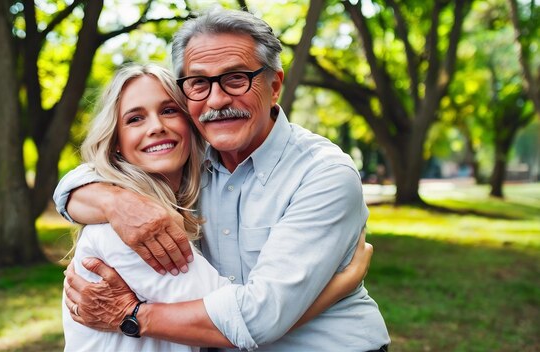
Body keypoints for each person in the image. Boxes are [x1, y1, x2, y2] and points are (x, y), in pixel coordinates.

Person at [57, 6, 390, 351]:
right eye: (199, 83)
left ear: (274, 85)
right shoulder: (187, 164)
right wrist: (117, 203)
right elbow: (73, 185)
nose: (217, 99)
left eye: (235, 79)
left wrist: (131, 315)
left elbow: (256, 320)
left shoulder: (323, 174)